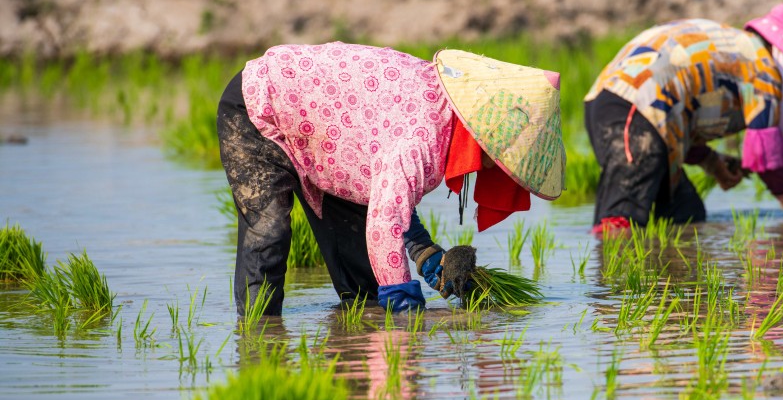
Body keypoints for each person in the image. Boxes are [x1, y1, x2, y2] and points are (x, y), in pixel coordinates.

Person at [218, 43, 566, 314]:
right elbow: (386, 219)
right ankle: (258, 343)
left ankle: (355, 367)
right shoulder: (424, 138)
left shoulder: (442, 119)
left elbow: (390, 196)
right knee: (269, 233)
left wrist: (426, 255)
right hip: (261, 103)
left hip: (332, 141)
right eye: (505, 157)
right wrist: (405, 308)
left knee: (363, 287)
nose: (501, 167)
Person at [584, 3, 783, 235]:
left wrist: (711, 161)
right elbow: (765, 152)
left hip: (620, 107)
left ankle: (670, 284)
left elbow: (685, 108)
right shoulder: (763, 68)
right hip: (636, 108)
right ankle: (614, 288)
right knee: (621, 217)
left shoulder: (738, 49)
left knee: (685, 214)